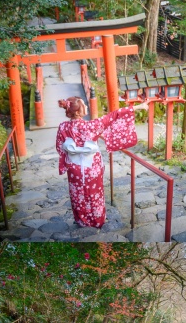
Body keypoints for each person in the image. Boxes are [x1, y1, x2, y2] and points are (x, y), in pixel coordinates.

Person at [54, 97, 140, 228]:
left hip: (74, 167)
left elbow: (60, 147)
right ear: (77, 112)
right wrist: (137, 107)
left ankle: (81, 220)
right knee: (94, 194)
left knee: (77, 194)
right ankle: (97, 220)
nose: (87, 107)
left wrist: (72, 152)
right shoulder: (91, 126)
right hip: (91, 167)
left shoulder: (62, 127)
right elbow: (113, 116)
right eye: (84, 105)